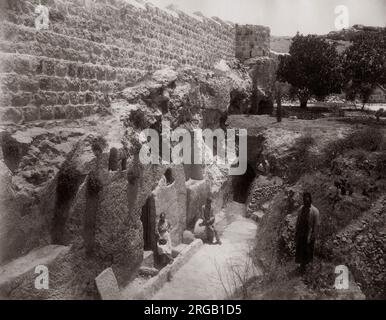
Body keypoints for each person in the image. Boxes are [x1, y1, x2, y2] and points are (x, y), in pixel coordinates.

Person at [295, 192, 320, 274]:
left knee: (308, 252)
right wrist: (296, 234)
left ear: (310, 199)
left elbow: (316, 226)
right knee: (300, 251)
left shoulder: (315, 211)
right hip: (301, 234)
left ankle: (308, 270)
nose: (306, 200)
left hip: (308, 235)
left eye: (308, 198)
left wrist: (312, 236)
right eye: (304, 198)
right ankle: (302, 267)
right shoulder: (301, 209)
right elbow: (297, 222)